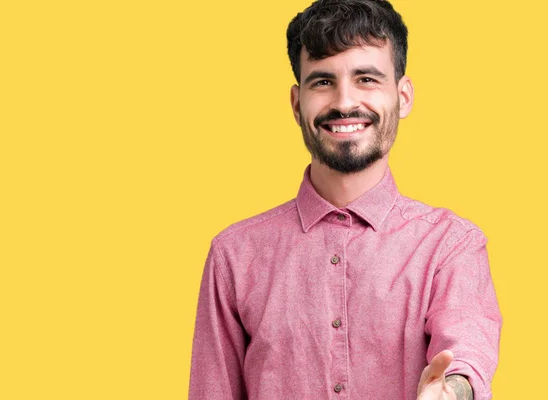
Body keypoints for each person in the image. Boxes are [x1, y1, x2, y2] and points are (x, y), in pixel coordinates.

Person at [189, 0, 502, 399]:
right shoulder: (233, 255)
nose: (344, 102)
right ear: (296, 103)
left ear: (403, 97)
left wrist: (452, 391)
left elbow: (466, 352)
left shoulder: (451, 245)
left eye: (367, 79)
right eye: (322, 82)